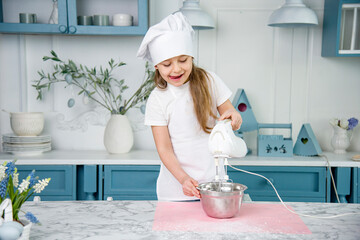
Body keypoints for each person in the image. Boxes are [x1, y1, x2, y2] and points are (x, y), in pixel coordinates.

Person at [137, 12, 242, 201]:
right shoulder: (158, 99)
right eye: (167, 64)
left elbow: (229, 112)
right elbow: (164, 149)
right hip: (175, 190)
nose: (176, 69)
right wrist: (183, 179)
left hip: (213, 185)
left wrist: (234, 117)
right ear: (156, 67)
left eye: (183, 60)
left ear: (192, 58)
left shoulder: (210, 81)